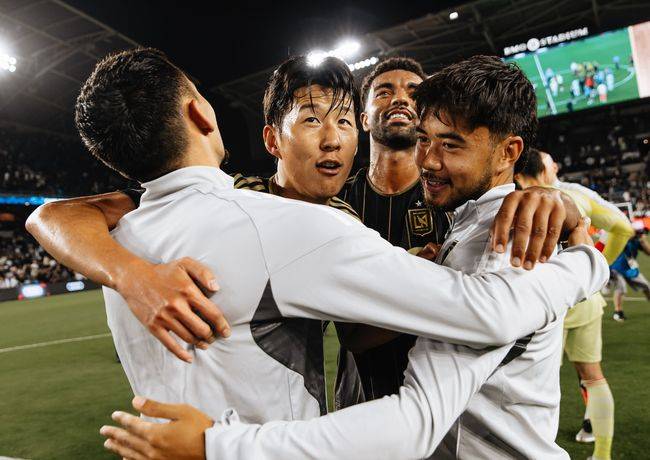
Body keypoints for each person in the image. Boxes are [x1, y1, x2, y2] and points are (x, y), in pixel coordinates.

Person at [98, 55, 607, 460]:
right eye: (426, 141)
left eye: (449, 145)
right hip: (295, 433)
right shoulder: (299, 221)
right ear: (204, 115)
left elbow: (65, 214)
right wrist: (587, 258)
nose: (429, 159)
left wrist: (124, 270)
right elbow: (486, 314)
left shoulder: (125, 230)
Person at [335, 57, 452, 408]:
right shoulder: (336, 203)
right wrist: (425, 276)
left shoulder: (454, 198)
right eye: (384, 92)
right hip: (361, 400)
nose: (400, 98)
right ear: (364, 119)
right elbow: (347, 330)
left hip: (440, 400)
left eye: (413, 92)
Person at [516, 148, 631, 460]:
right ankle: (602, 454)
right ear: (544, 170)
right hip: (582, 296)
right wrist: (596, 269)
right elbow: (623, 228)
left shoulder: (513, 199)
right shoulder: (574, 196)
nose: (556, 166)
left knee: (532, 384)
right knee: (593, 375)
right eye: (552, 163)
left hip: (541, 302)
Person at [610, 220, 650, 321]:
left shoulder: (638, 240)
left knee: (646, 286)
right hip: (616, 267)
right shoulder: (622, 237)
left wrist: (643, 242)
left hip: (630, 269)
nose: (641, 234)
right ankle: (618, 312)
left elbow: (649, 252)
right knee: (621, 287)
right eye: (639, 231)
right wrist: (629, 236)